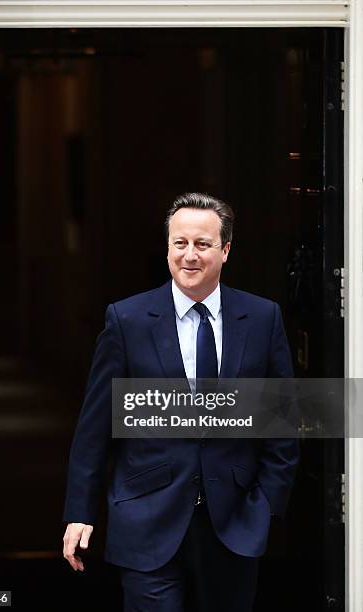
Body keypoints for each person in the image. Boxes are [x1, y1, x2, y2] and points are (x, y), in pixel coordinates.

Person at [63, 192, 299, 612]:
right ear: (168, 247)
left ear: (225, 250)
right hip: (146, 518)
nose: (189, 255)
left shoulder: (263, 318)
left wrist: (266, 505)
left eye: (203, 244)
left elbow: (282, 423)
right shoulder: (127, 319)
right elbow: (95, 427)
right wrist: (80, 511)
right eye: (180, 243)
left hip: (235, 520)